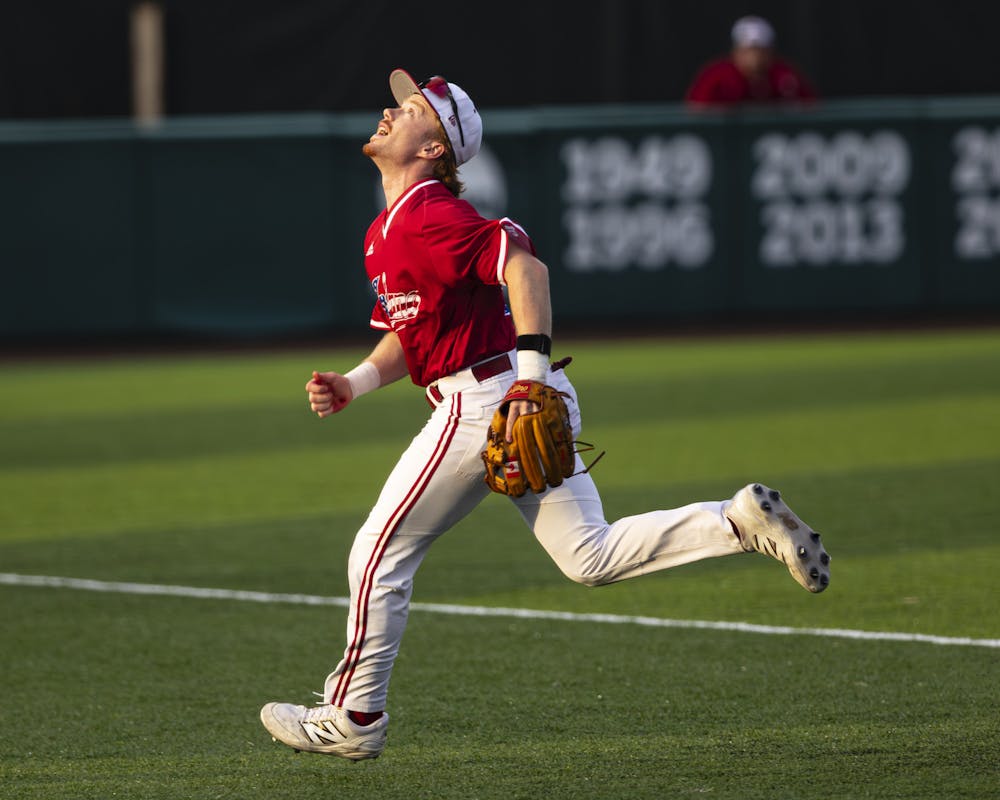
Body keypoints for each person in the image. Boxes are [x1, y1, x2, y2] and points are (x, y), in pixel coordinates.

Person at [259, 68, 831, 761]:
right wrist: (354, 383)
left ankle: (353, 717)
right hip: (505, 388)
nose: (388, 110)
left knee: (377, 554)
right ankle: (736, 521)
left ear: (435, 147)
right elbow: (410, 337)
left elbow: (525, 270)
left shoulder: (433, 213)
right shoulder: (389, 227)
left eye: (409, 109)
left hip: (491, 399)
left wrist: (530, 383)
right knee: (587, 554)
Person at [685, 15, 817, 106]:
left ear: (770, 52)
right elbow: (695, 113)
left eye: (760, 51)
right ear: (735, 52)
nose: (755, 57)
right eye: (748, 51)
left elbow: (811, 109)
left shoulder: (784, 76)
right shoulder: (717, 76)